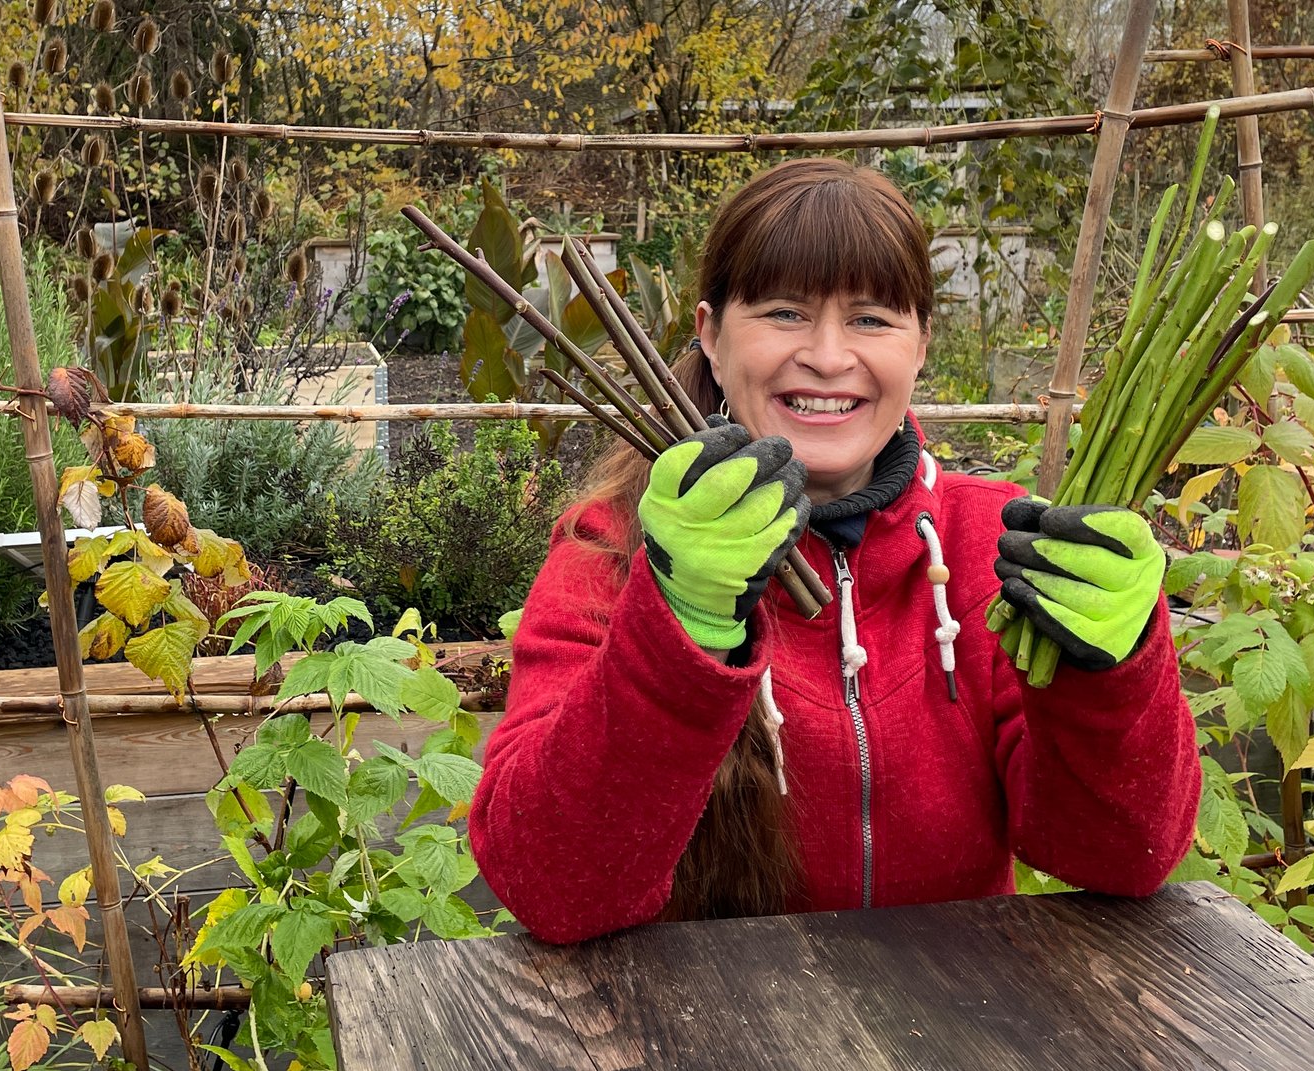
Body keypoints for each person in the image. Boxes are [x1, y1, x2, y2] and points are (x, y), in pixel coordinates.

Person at [468, 158, 1199, 945]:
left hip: (958, 1008)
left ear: (921, 344)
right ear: (711, 335)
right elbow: (550, 888)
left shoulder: (992, 547)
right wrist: (680, 630)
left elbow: (1119, 858)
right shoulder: (614, 549)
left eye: (871, 319)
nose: (827, 355)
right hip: (694, 1016)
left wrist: (1113, 676)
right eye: (784, 312)